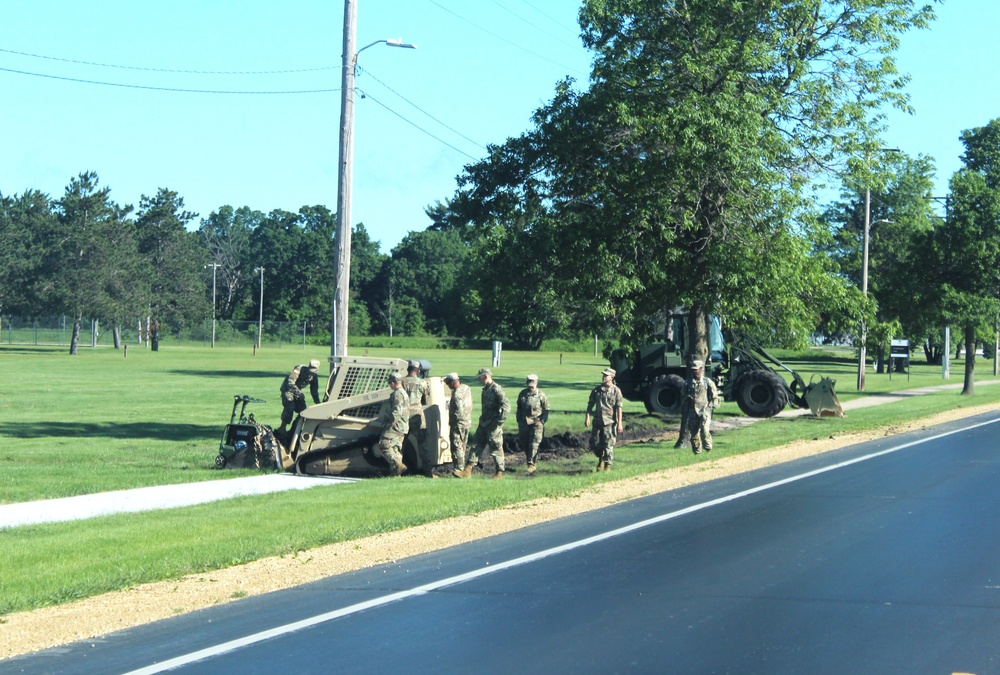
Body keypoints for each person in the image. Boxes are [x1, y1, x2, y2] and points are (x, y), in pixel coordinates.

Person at [457, 368, 509, 479]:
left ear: (485, 377)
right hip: (484, 423)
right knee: (476, 446)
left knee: (495, 448)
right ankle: (468, 470)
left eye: (480, 378)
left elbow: (506, 407)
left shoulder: (497, 390)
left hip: (493, 425)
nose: (479, 381)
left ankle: (499, 472)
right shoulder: (485, 389)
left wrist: (499, 422)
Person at [584, 367, 624, 472]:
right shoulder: (597, 390)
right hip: (597, 421)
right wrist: (587, 416)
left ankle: (607, 465)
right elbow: (590, 404)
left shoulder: (616, 391)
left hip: (610, 422)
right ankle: (600, 458)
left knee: (608, 444)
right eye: (603, 375)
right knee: (595, 442)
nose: (604, 377)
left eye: (606, 375)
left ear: (612, 377)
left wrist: (620, 423)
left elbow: (619, 408)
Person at [401, 359, 433, 477]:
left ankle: (398, 470)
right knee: (422, 444)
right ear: (418, 371)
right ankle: (428, 472)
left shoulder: (401, 382)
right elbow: (425, 400)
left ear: (408, 369)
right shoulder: (422, 383)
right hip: (417, 415)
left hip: (403, 415)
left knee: (400, 443)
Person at [375, 372, 409, 476]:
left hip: (396, 425)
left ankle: (398, 464)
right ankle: (396, 474)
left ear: (394, 383)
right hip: (402, 426)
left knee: (383, 444)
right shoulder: (404, 393)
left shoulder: (398, 394)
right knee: (395, 449)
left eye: (390, 383)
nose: (389, 385)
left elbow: (396, 412)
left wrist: (389, 425)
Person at [516, 374, 549, 475]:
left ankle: (531, 463)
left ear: (536, 383)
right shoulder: (522, 394)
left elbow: (546, 409)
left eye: (532, 385)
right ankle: (529, 459)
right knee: (525, 442)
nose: (530, 387)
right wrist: (519, 419)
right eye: (529, 384)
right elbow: (519, 407)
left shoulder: (541, 395)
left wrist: (542, 420)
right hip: (524, 422)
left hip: (536, 422)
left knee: (534, 443)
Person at [684, 359, 719, 454]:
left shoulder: (708, 382)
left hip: (705, 409)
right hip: (693, 410)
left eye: (696, 369)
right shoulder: (688, 383)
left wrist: (710, 406)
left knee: (704, 429)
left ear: (701, 369)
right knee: (694, 434)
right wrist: (687, 399)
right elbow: (682, 397)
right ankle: (697, 452)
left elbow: (715, 396)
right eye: (693, 370)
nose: (694, 371)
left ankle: (708, 449)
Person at [278, 358, 322, 434]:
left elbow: (314, 391)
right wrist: (299, 393)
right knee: (290, 405)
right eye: (310, 371)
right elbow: (290, 382)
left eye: (313, 372)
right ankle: (282, 428)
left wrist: (318, 403)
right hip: (287, 389)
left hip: (297, 391)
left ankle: (294, 429)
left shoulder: (314, 377)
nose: (311, 373)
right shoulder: (299, 369)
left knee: (303, 411)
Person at [444, 373, 474, 478]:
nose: (448, 386)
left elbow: (459, 412)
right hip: (467, 422)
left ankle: (459, 469)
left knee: (457, 446)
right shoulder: (466, 388)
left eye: (448, 384)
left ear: (453, 382)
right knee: (463, 445)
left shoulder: (456, 395)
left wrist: (454, 420)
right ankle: (462, 467)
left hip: (458, 424)